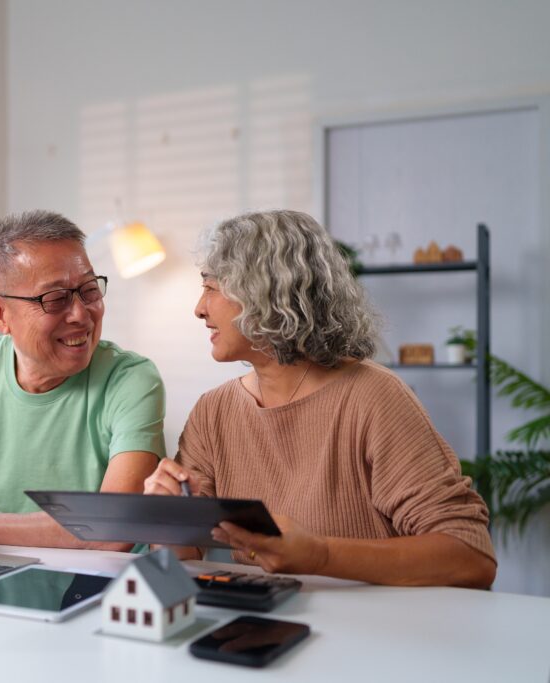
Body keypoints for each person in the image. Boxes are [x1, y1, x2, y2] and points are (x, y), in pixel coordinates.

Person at [144, 210, 496, 588]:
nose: (199, 308)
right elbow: (180, 563)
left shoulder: (374, 397)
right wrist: (167, 519)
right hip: (263, 622)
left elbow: (470, 557)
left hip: (376, 624)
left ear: (267, 292)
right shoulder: (213, 412)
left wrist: (320, 556)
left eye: (212, 287)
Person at [0, 210, 166, 548]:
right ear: (0, 314)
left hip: (107, 577)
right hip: (3, 570)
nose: (81, 314)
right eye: (55, 299)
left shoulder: (131, 378)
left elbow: (113, 529)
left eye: (89, 290)